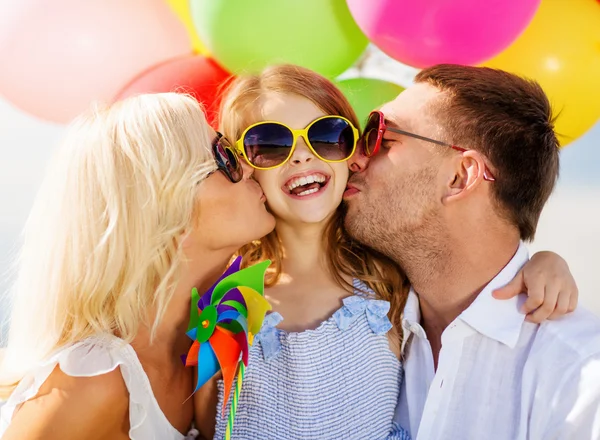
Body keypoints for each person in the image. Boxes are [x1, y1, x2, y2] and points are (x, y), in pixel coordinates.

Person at [194, 64, 579, 440]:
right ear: (243, 167)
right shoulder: (223, 300)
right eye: (269, 145)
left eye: (328, 135)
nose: (301, 156)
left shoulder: (389, 282)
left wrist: (543, 262)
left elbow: (463, 261)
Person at [344, 64, 600, 440]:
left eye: (382, 136)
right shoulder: (355, 324)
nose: (355, 158)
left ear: (460, 177)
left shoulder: (580, 379)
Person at [0, 93, 275, 439]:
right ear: (167, 206)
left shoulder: (199, 349)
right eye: (226, 156)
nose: (250, 167)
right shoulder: (95, 379)